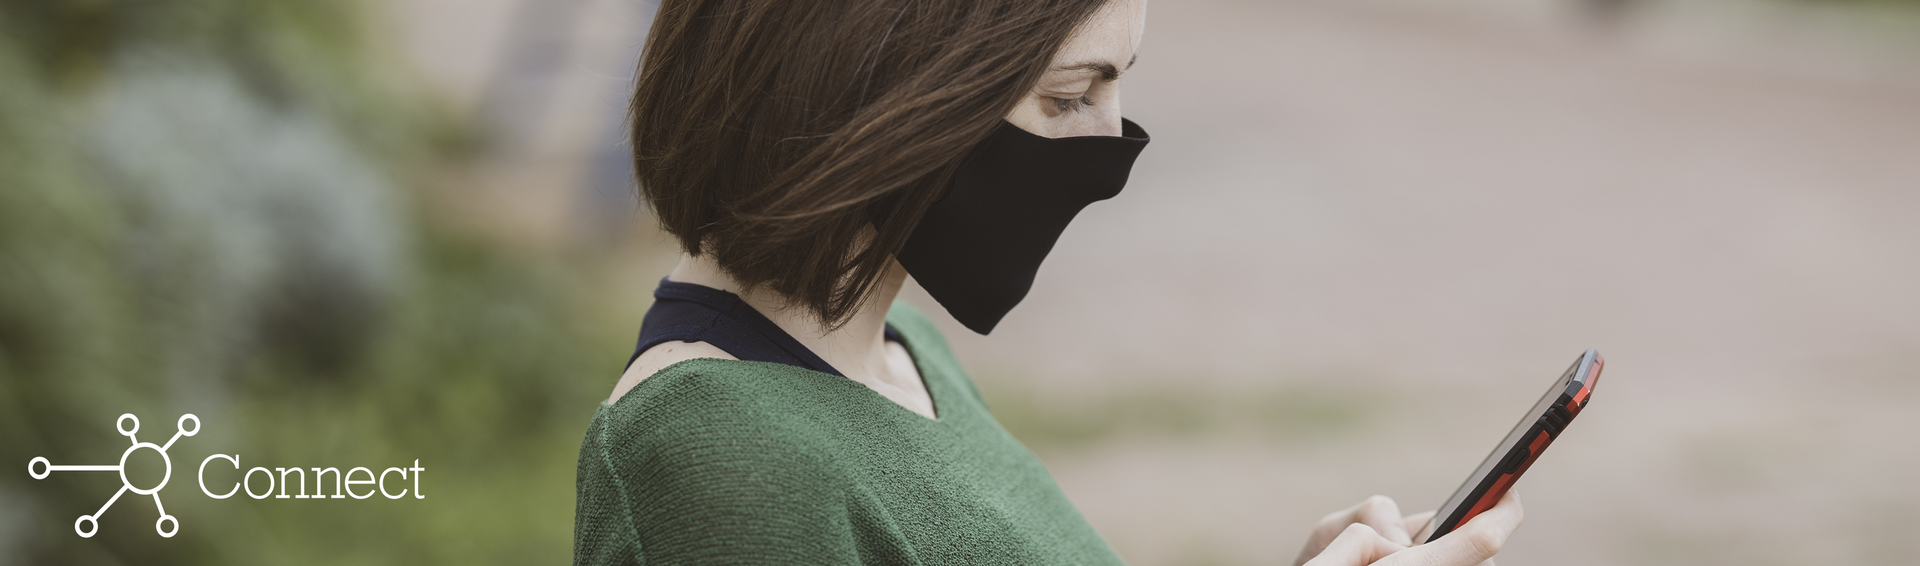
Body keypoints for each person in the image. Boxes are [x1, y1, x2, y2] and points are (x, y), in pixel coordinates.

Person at [573, 0, 1524, 564]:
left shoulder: (905, 353)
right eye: (1071, 96)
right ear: (884, 81)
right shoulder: (710, 449)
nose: (1111, 144)